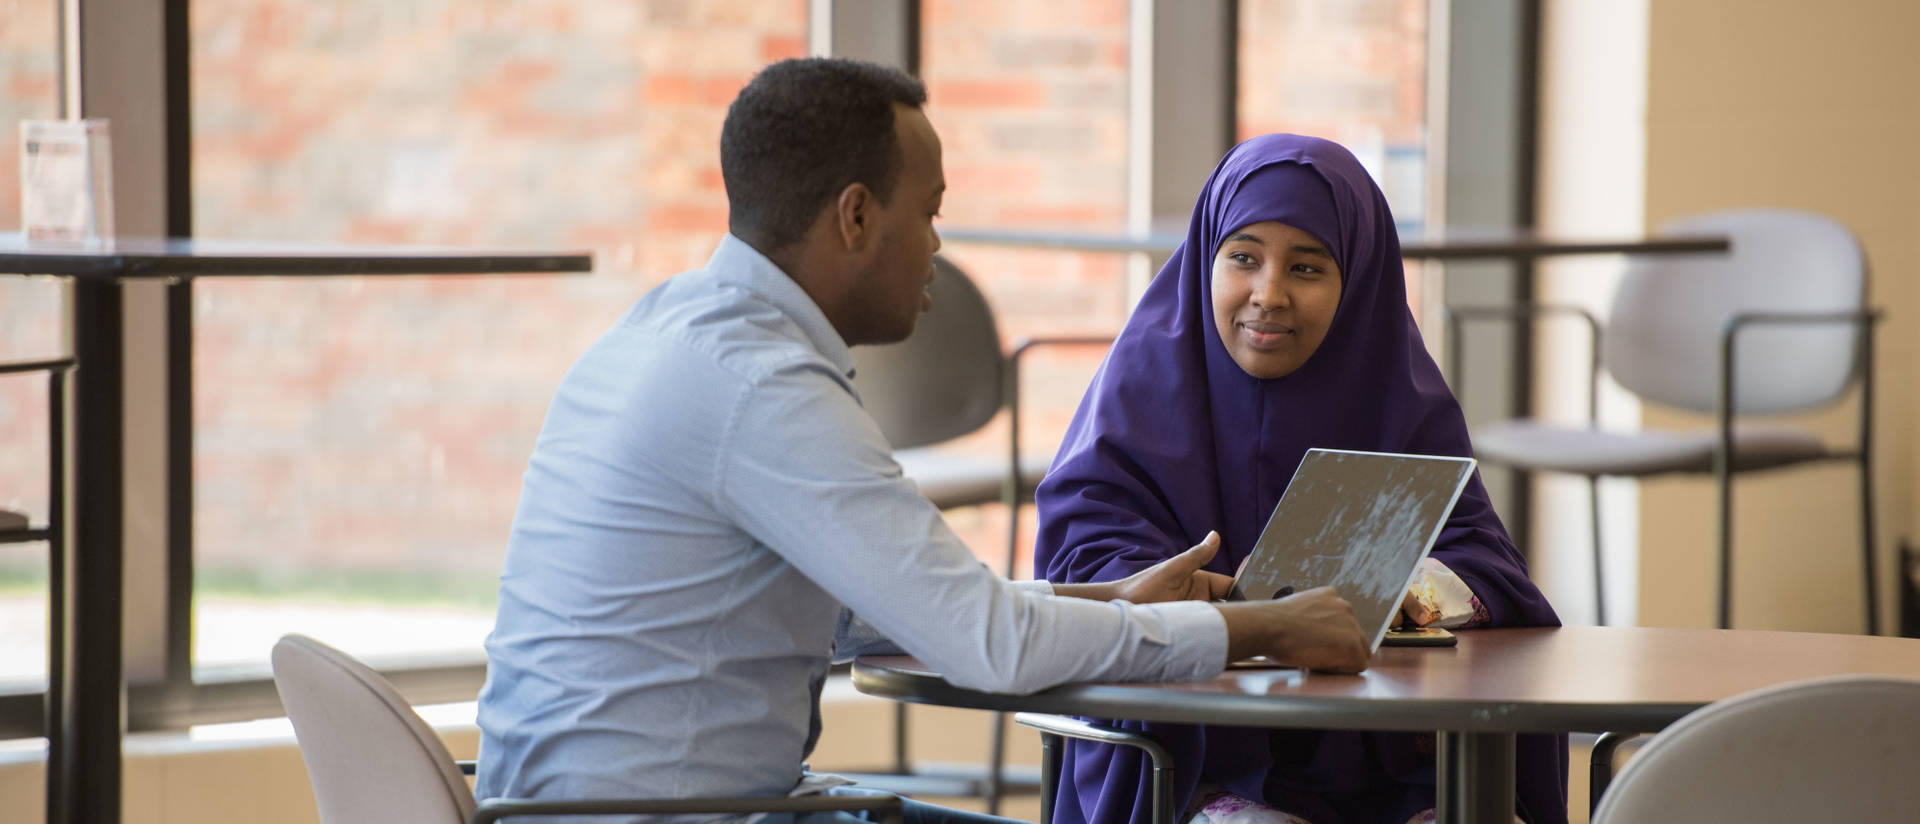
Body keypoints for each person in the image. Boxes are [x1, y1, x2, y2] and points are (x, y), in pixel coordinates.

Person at [474, 58, 1372, 824]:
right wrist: (1257, 629)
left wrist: (1113, 601)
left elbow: (874, 617)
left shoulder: (666, 330)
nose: (937, 248)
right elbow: (994, 646)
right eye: (931, 213)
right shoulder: (764, 390)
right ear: (857, 218)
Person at [1033, 134, 1567, 824]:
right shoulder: (1139, 394)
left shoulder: (1397, 399)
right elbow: (1087, 564)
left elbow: (1484, 561)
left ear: (1358, 285)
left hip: (1388, 765)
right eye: (1243, 258)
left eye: (1308, 268)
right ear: (1207, 260)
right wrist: (1232, 609)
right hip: (1192, 763)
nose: (1269, 295)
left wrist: (1401, 590)